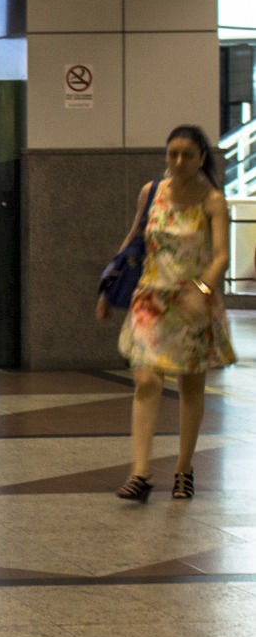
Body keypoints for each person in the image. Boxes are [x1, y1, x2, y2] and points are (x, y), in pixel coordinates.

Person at [102, 125, 235, 502]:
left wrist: (203, 288)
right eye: (172, 153)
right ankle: (140, 473)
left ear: (201, 159)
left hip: (193, 302)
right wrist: (108, 288)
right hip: (151, 300)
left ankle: (183, 468)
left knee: (191, 387)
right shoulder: (151, 193)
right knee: (147, 381)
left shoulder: (212, 201)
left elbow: (222, 254)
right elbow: (132, 242)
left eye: (187, 155)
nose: (177, 161)